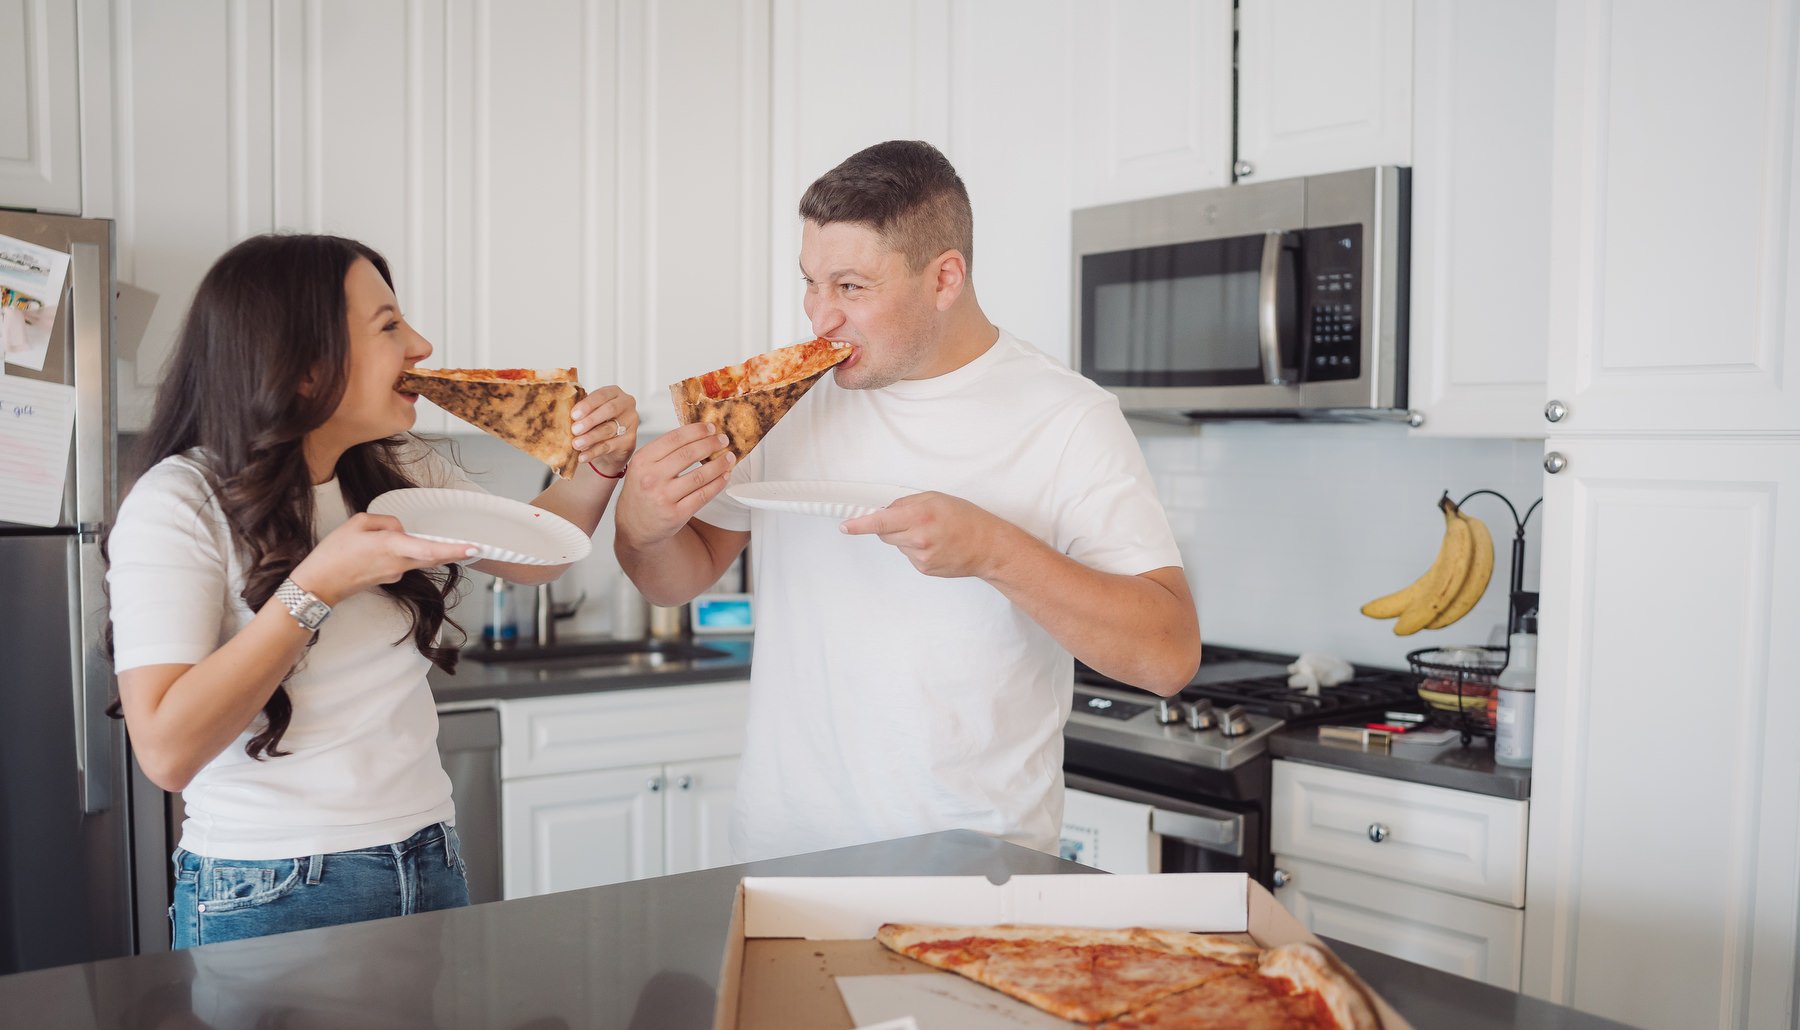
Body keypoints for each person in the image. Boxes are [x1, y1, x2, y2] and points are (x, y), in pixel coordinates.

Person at [615, 140, 1199, 862]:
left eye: (852, 288)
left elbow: (1168, 656)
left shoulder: (1068, 417)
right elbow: (681, 576)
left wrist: (993, 549)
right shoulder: (788, 400)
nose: (819, 318)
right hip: (781, 854)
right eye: (811, 283)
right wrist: (642, 529)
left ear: (945, 277)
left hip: (973, 867)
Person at [109, 233, 638, 948]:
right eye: (389, 325)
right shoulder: (180, 501)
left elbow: (537, 554)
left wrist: (601, 467)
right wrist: (318, 585)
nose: (421, 344)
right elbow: (167, 752)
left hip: (429, 855)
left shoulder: (396, 466)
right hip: (272, 885)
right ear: (303, 366)